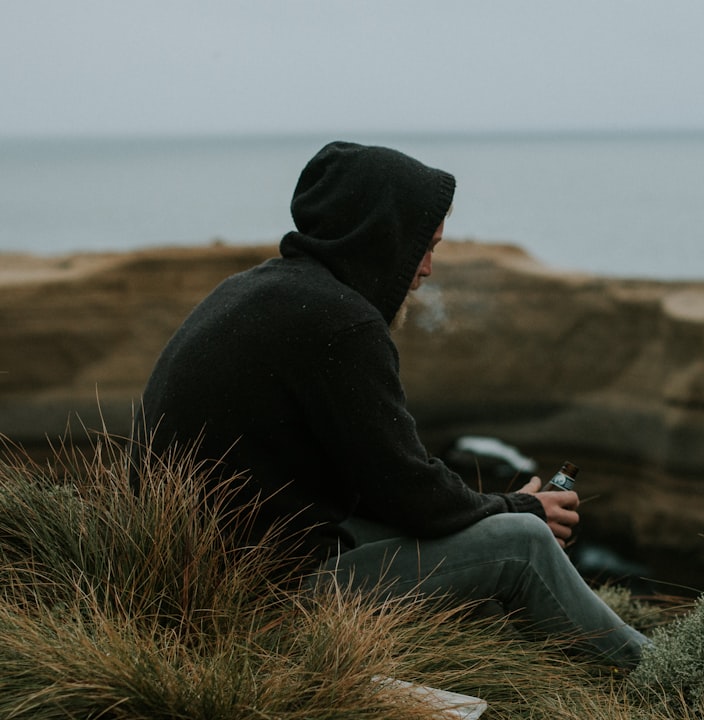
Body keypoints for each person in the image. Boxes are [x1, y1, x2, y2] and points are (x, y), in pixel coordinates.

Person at [134, 141, 648, 668]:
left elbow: (377, 482)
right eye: (424, 246)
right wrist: (521, 509)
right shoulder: (341, 323)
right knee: (522, 546)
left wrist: (486, 510)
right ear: (383, 236)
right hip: (259, 608)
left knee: (481, 529)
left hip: (197, 585)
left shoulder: (253, 291)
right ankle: (665, 676)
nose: (426, 269)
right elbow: (409, 490)